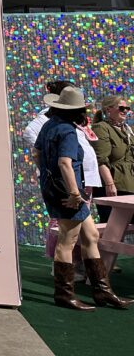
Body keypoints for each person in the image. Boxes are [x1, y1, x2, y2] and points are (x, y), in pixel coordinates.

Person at [35, 86, 131, 310]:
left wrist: (48, 181)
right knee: (67, 241)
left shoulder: (50, 126)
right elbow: (65, 163)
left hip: (57, 189)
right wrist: (74, 193)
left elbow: (37, 153)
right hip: (70, 193)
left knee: (90, 237)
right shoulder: (67, 131)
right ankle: (64, 294)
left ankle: (102, 291)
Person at [91, 95, 134, 224]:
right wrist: (110, 184)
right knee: (114, 227)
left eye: (127, 108)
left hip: (129, 184)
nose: (125, 110)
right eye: (121, 107)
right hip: (114, 186)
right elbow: (101, 160)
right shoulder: (101, 128)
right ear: (108, 109)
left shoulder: (128, 130)